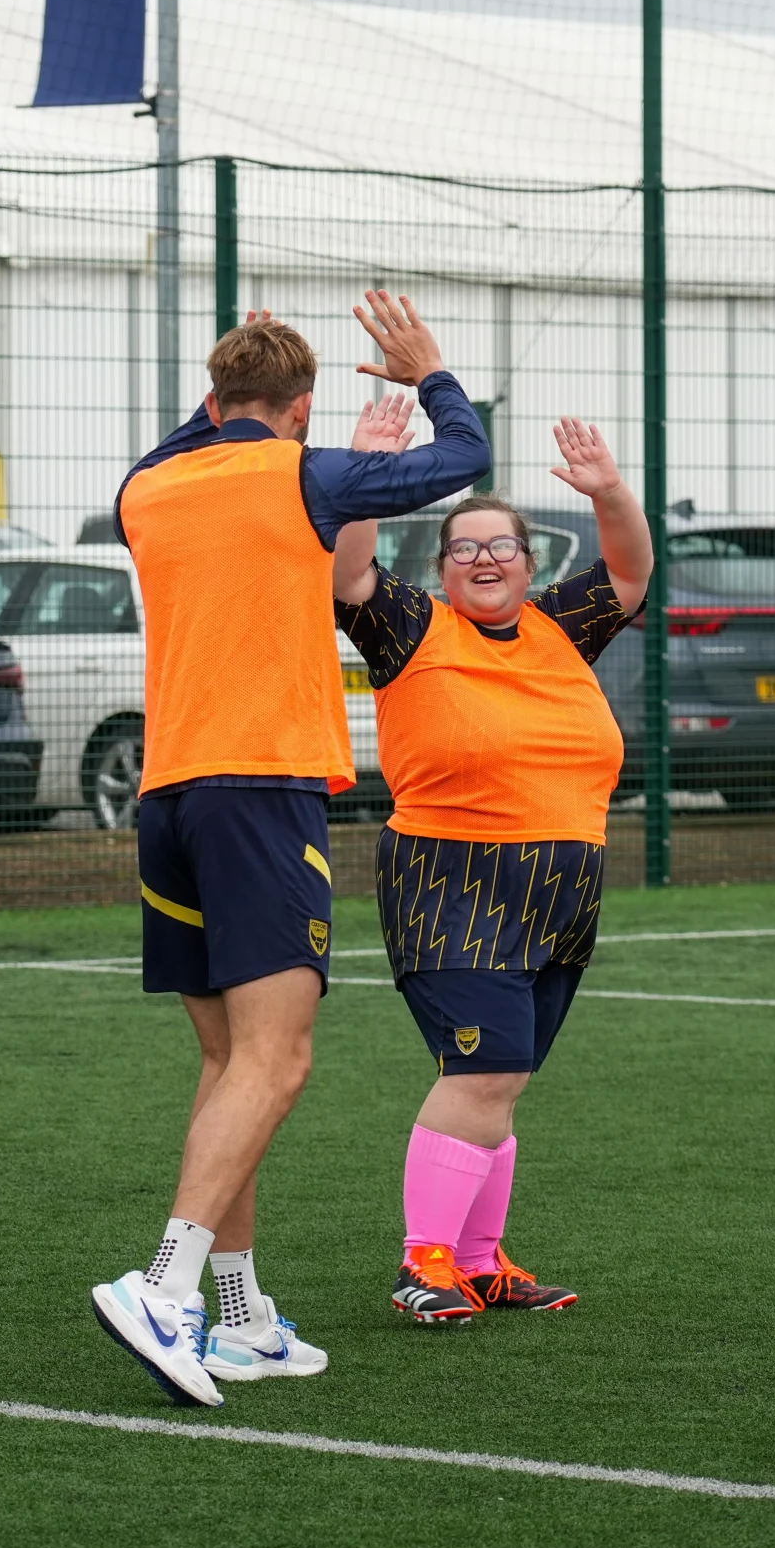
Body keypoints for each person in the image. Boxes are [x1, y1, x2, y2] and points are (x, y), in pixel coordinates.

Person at [91, 293, 490, 1406]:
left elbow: (198, 432)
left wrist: (236, 386)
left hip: (170, 797)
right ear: (302, 410)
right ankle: (163, 1290)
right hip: (260, 792)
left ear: (212, 399)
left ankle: (239, 1317)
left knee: (230, 1069)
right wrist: (425, 371)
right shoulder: (307, 474)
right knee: (279, 1061)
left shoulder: (146, 488)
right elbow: (468, 456)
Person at [330, 419, 652, 1324]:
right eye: (463, 547)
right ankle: (423, 1263)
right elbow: (346, 574)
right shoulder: (411, 627)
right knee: (481, 1074)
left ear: (525, 560)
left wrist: (608, 492)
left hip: (562, 889)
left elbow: (630, 573)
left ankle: (479, 1259)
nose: (483, 559)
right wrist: (371, 473)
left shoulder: (557, 627)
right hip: (450, 879)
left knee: (504, 1079)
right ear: (440, 568)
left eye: (499, 546)